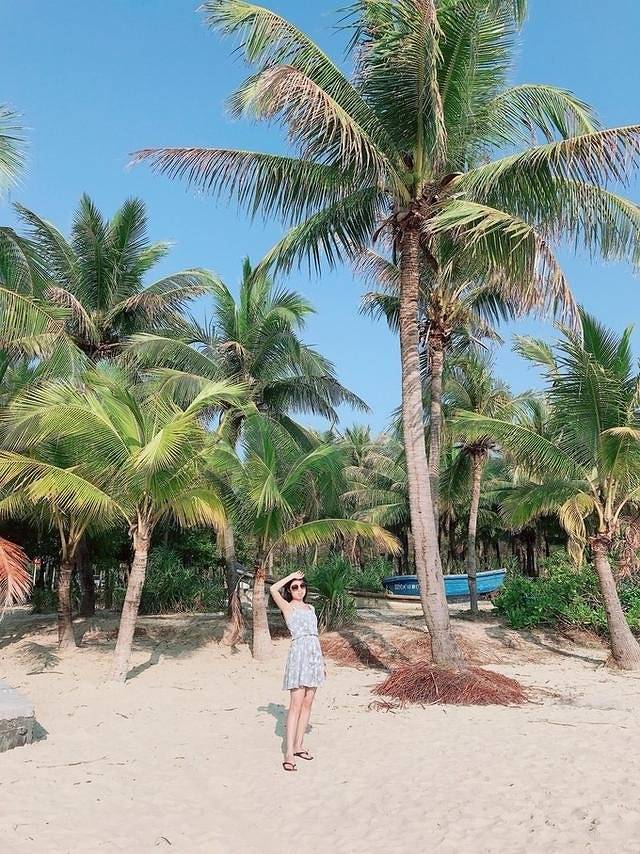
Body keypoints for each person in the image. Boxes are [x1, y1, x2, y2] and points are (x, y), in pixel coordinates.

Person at [270, 570, 326, 772]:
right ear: (290, 590)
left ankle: (299, 745)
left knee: (308, 703)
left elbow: (315, 636)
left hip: (314, 656)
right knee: (295, 705)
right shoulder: (288, 607)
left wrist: (322, 662)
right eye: (295, 587)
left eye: (302, 586)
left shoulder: (311, 608)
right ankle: (289, 753)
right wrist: (290, 576)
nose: (300, 590)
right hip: (299, 656)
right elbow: (273, 589)